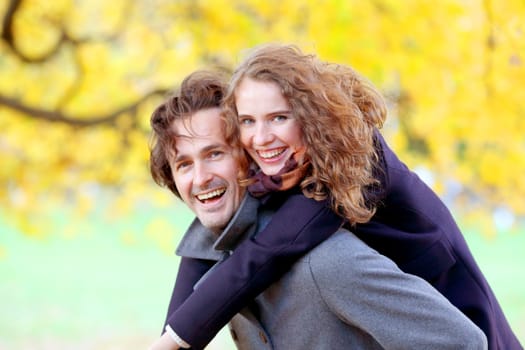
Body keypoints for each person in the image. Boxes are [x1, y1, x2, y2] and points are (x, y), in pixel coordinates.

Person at [151, 45, 522, 350]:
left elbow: (269, 250)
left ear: (309, 115)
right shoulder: (280, 168)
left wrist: (176, 338)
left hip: (460, 311)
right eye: (247, 121)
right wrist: (172, 337)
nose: (261, 137)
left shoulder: (351, 164)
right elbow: (212, 241)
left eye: (279, 117)